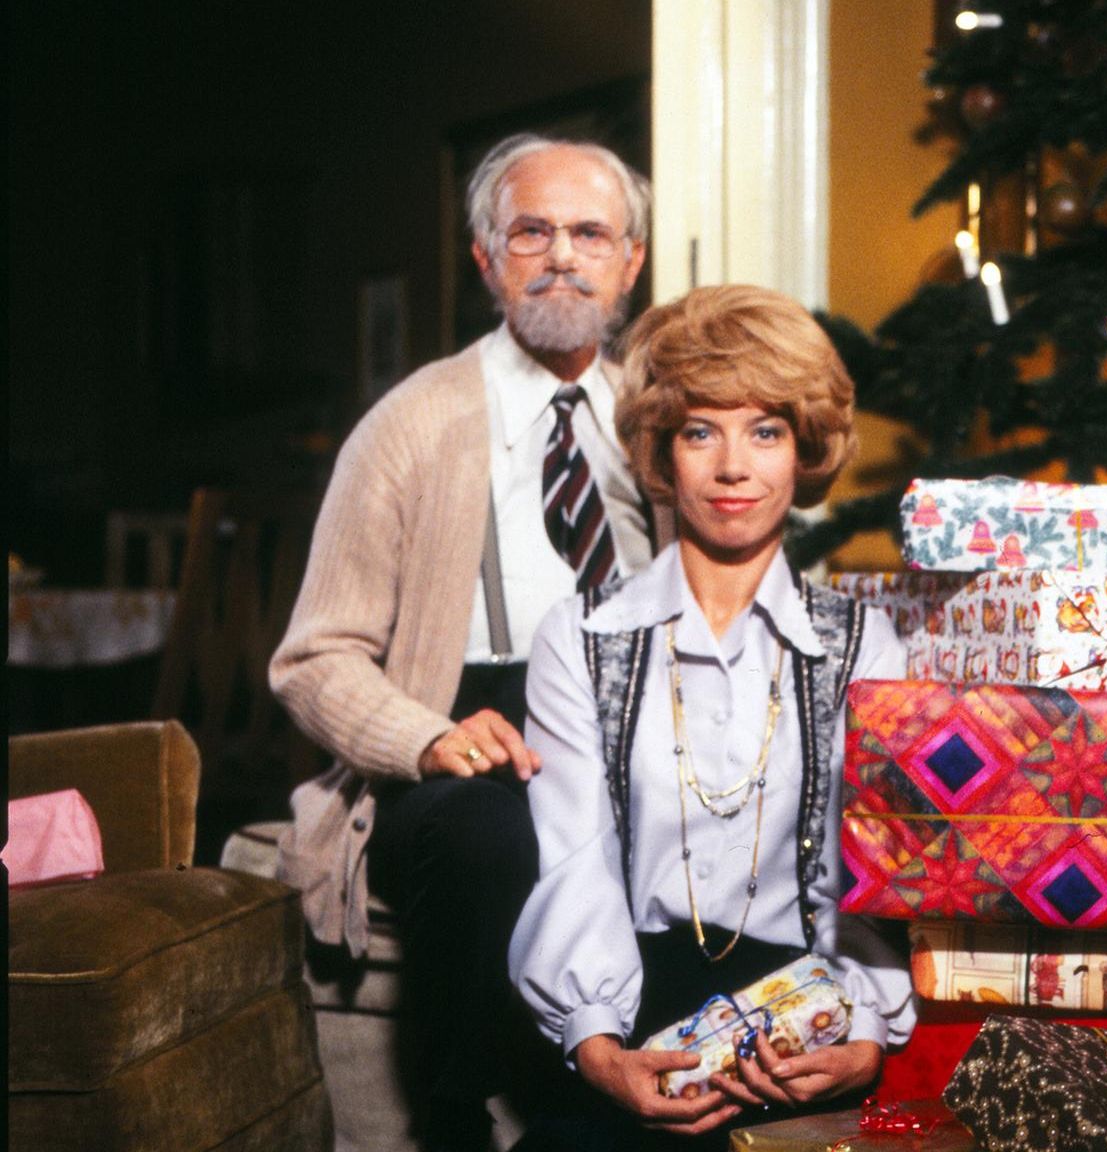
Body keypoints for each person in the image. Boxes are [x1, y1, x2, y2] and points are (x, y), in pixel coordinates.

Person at [270, 134, 660, 1151]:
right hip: (457, 749)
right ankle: (457, 1118)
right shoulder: (413, 424)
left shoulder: (663, 425)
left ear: (631, 261)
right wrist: (423, 737)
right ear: (487, 260)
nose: (562, 256)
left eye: (589, 233)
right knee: (496, 839)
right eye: (531, 232)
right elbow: (313, 658)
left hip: (623, 742)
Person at [509, 285, 915, 1150]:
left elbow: (872, 872)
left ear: (803, 450)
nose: (734, 467)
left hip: (805, 1009)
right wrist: (598, 1050)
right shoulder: (582, 639)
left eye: (765, 431)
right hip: (634, 1003)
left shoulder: (860, 644)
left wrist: (866, 1035)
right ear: (663, 453)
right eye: (702, 431)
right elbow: (573, 856)